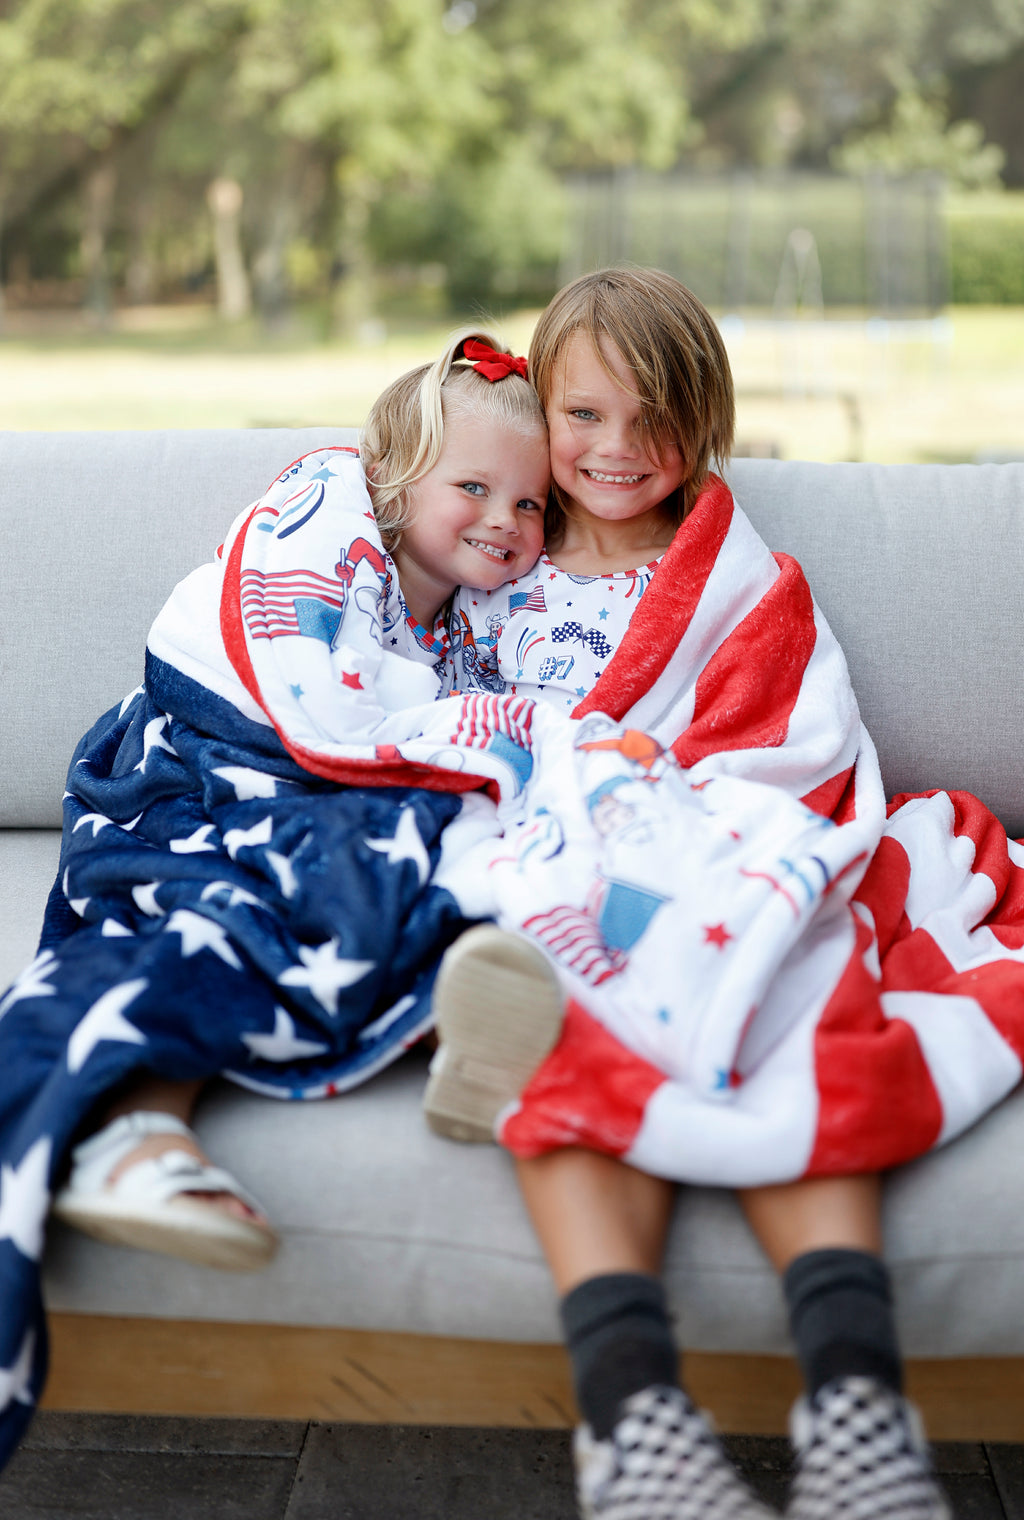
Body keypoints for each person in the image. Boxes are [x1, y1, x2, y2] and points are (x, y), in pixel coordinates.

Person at [423, 268, 951, 1520]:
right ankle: (634, 1421)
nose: (617, 448)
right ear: (543, 409)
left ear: (703, 418)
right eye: (583, 415)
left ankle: (859, 1410)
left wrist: (660, 784)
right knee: (557, 1005)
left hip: (707, 840)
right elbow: (422, 711)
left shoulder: (732, 577)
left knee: (787, 988)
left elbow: (789, 735)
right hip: (554, 855)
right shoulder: (499, 554)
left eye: (653, 417)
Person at [48, 331, 550, 1273]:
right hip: (199, 759)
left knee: (415, 855)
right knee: (259, 891)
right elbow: (311, 690)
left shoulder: (475, 622)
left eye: (530, 502)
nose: (505, 519)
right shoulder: (332, 532)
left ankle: (449, 1017)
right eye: (474, 488)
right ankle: (130, 1129)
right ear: (394, 476)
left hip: (318, 784)